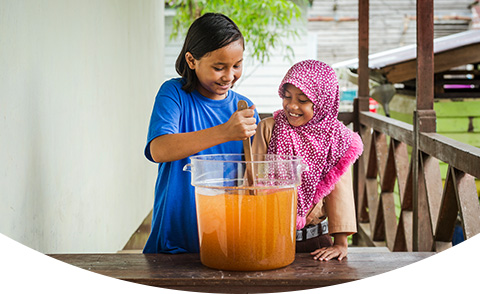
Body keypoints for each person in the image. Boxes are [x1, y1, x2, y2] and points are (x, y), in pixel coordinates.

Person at [144, 13, 259, 253]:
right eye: (219, 67)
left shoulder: (245, 109)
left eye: (237, 65)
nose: (229, 76)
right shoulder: (173, 94)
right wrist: (226, 131)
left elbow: (252, 177)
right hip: (174, 236)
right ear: (191, 60)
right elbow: (159, 149)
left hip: (228, 235)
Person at [252, 59, 363, 261]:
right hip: (268, 236)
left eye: (303, 100)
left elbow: (340, 192)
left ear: (322, 102)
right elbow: (254, 181)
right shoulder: (270, 128)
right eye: (287, 96)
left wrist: (340, 243)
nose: (292, 106)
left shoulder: (337, 138)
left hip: (316, 242)